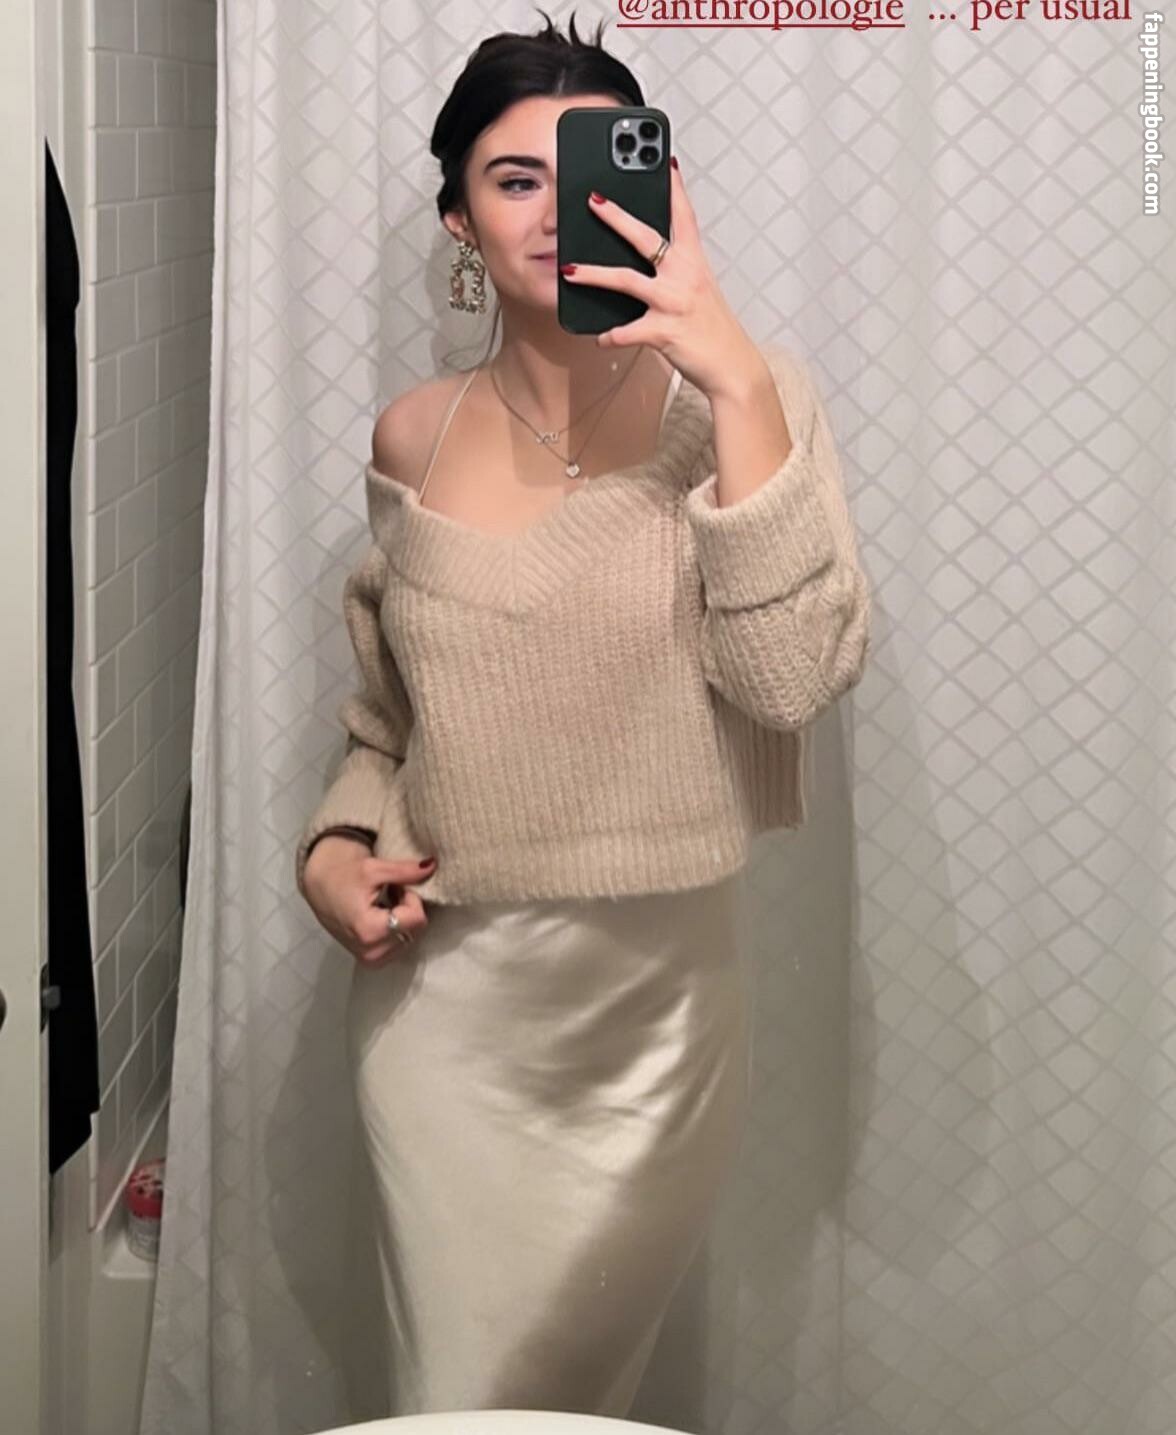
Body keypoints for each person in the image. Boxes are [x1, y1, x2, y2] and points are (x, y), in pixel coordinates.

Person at [296, 8, 871, 1419]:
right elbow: (389, 717)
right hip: (443, 1016)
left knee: (565, 1390)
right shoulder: (414, 433)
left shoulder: (751, 400)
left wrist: (729, 372)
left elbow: (791, 680)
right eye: (514, 179)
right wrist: (334, 849)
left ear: (658, 188)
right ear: (458, 220)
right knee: (457, 1392)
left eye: (597, 169)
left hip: (652, 1020)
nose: (557, 212)